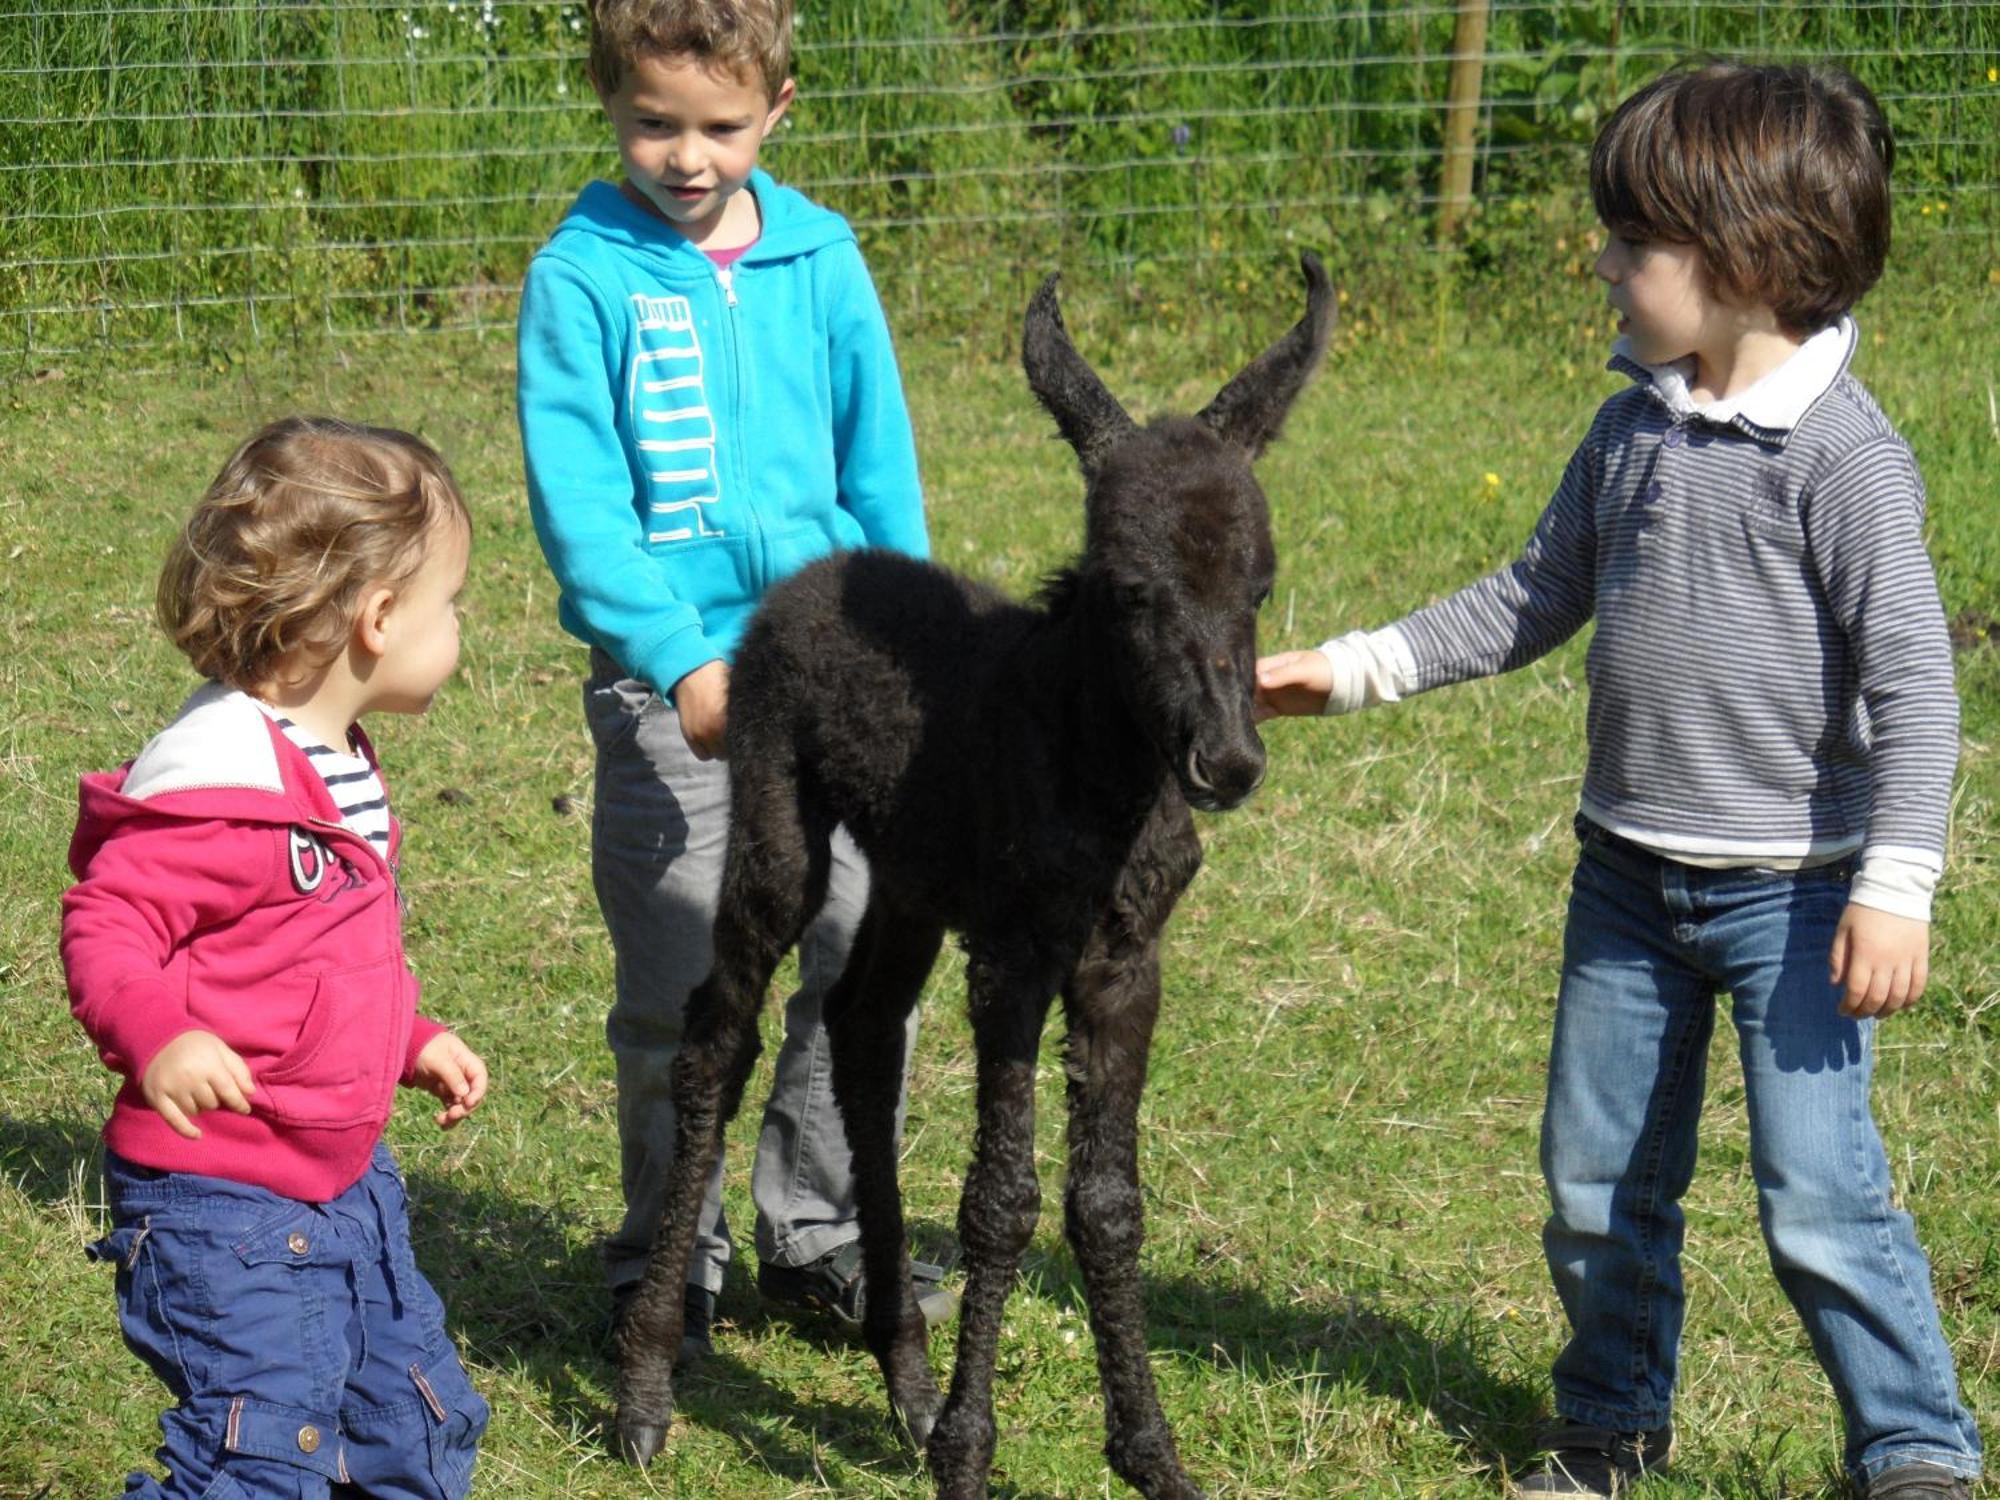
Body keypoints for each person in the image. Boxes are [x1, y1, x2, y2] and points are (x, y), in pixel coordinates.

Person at [1256, 62, 1981, 1500]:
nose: (1601, 262)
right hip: (1628, 884)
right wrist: (1346, 667)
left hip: (1799, 895)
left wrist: (1896, 888)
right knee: (1595, 1188)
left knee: (1819, 1200)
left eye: (1630, 244)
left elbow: (1919, 684)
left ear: (1745, 264)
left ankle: (1913, 1447)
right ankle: (1607, 1428)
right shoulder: (1630, 431)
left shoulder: (1844, 462)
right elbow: (1528, 597)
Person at [516, 0, 951, 1352]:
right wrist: (680, 658)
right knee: (685, 970)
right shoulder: (580, 277)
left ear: (779, 107)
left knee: (855, 942)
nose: (687, 156)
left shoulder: (824, 260)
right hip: (676, 697)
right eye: (655, 122)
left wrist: (913, 637)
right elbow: (581, 508)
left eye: (718, 126)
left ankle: (816, 1234)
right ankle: (667, 1253)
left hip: (839, 675)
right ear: (607, 102)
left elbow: (878, 469)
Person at [61, 417, 491, 1497]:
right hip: (225, 1207)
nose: (461, 630)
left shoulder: (335, 763)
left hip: (346, 1184)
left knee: (412, 1419)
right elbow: (107, 926)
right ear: (378, 620)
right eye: (452, 607)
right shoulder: (222, 786)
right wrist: (156, 1035)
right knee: (257, 1455)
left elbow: (312, 960)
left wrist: (408, 1035)